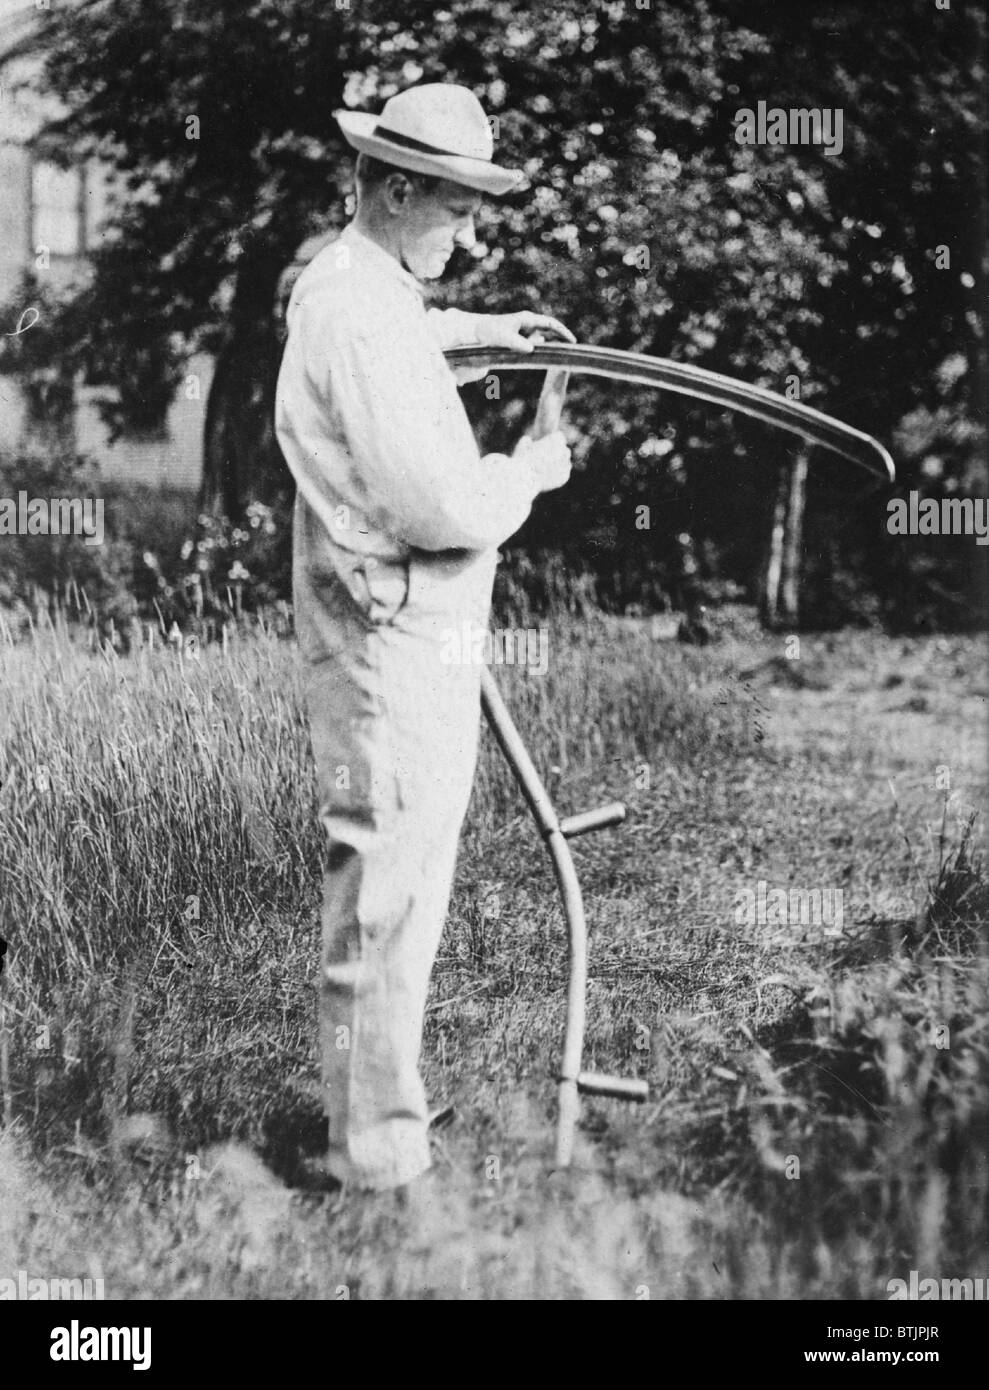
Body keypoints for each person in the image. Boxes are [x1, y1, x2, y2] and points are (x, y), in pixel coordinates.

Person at [274, 83, 573, 1192]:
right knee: (391, 883)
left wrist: (482, 331)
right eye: (455, 208)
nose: (472, 232)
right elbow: (441, 503)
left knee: (392, 878)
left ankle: (372, 1114)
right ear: (395, 190)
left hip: (383, 626)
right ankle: (377, 1158)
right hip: (388, 633)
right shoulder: (358, 310)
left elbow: (403, 338)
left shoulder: (354, 283)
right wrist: (532, 470)